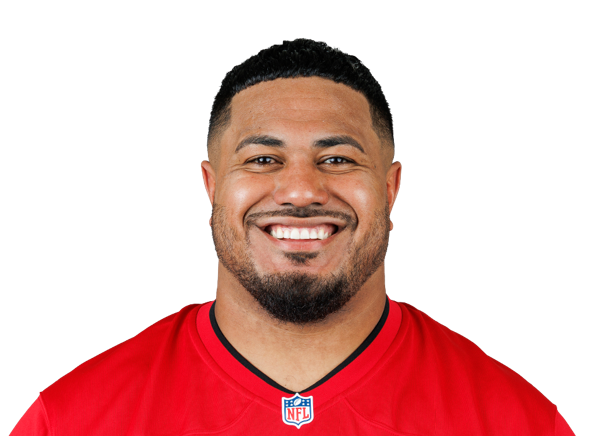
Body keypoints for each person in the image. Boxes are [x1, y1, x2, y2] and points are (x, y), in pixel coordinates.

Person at [11, 38, 574, 435]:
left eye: (337, 158)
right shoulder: (70, 419)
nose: (302, 190)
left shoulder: (519, 421)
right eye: (262, 159)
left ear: (390, 189)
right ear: (211, 186)